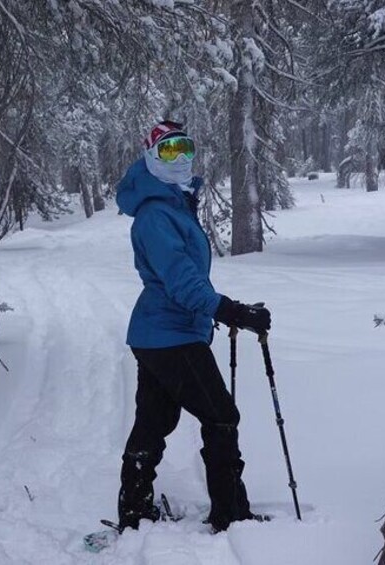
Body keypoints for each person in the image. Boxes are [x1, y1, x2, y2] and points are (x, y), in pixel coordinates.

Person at [114, 120, 271, 533]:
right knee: (220, 416)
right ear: (150, 157)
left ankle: (134, 510)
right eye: (169, 150)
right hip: (171, 334)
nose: (181, 157)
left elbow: (187, 279)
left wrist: (224, 308)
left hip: (161, 333)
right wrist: (230, 311)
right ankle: (231, 514)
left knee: (154, 422)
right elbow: (181, 281)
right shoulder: (155, 215)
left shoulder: (173, 206)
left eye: (186, 148)